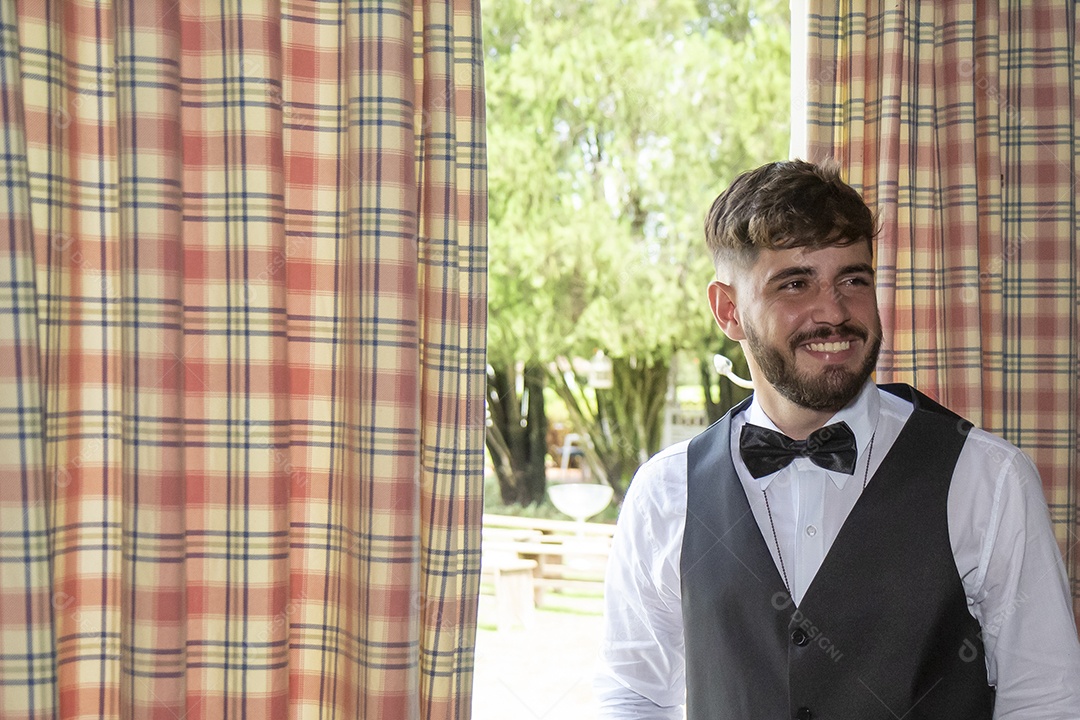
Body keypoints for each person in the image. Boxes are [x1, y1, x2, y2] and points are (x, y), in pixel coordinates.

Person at [594, 160, 1080, 719]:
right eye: (796, 283)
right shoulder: (665, 490)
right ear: (729, 310)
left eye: (853, 279)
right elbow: (632, 695)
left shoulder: (986, 478)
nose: (834, 311)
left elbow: (1046, 700)